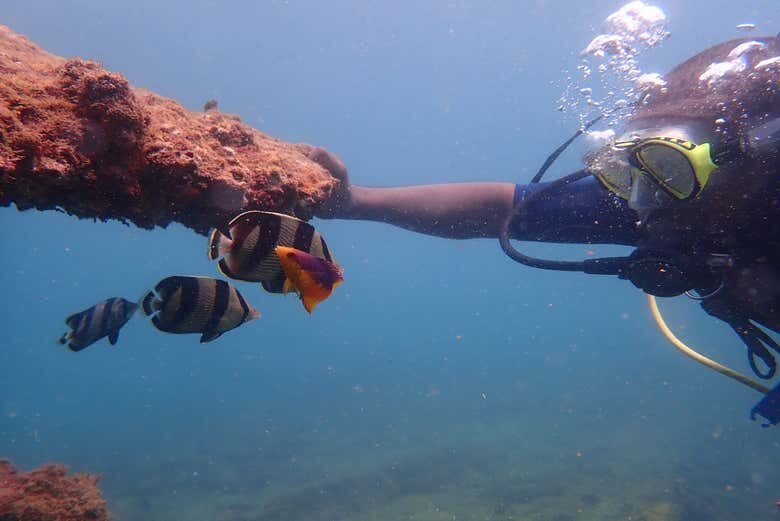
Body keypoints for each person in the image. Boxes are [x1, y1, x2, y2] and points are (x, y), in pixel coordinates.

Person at [306, 35, 780, 421]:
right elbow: (500, 209)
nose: (641, 199)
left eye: (668, 165)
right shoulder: (663, 201)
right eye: (623, 170)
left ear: (764, 160)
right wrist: (353, 201)